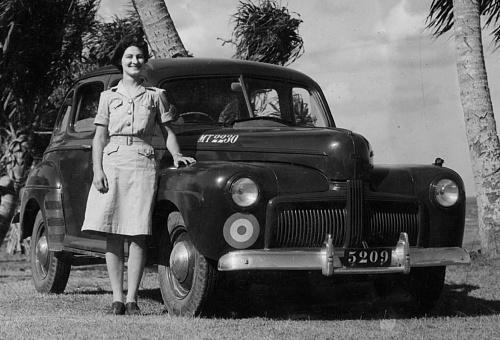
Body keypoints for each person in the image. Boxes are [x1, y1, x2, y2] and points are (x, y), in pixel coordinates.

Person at [81, 34, 195, 315]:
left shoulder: (156, 96)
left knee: (137, 233)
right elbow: (99, 137)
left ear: (144, 62)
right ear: (121, 62)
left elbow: (167, 132)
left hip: (143, 165)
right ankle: (116, 299)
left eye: (139, 57)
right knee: (112, 232)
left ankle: (132, 299)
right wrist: (98, 169)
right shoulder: (108, 97)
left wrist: (177, 154)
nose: (135, 61)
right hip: (113, 164)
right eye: (129, 57)